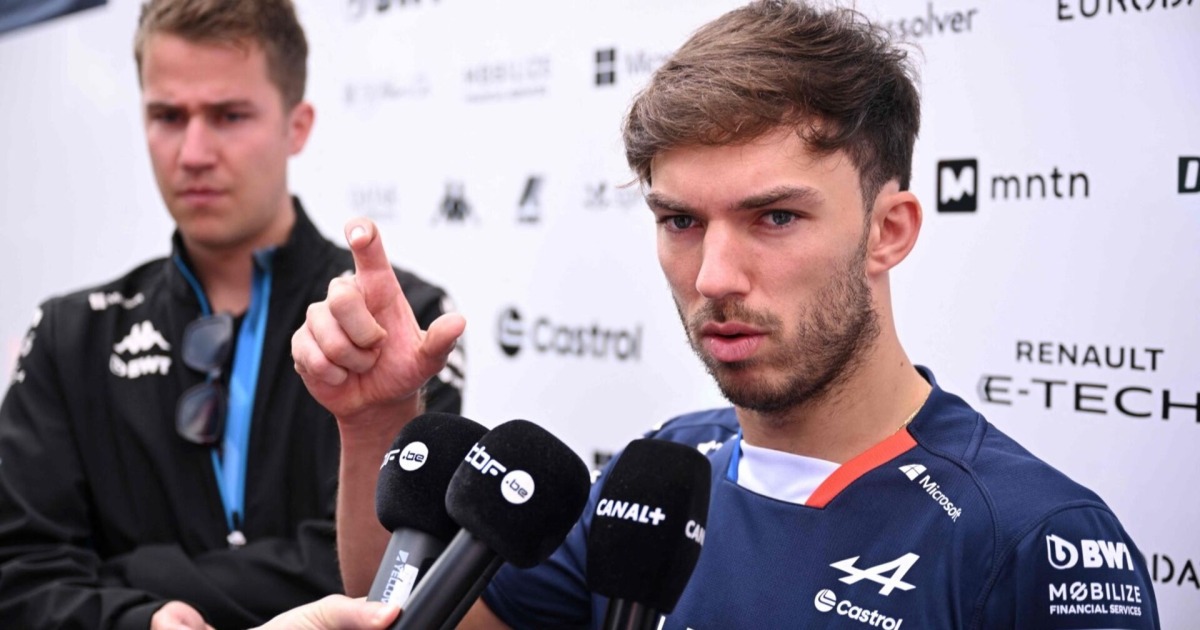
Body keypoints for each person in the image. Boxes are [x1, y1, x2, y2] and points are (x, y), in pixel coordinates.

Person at [291, 1, 1159, 628]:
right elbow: (409, 619)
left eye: (774, 217)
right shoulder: (662, 472)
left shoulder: (1031, 541)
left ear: (888, 231)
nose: (713, 276)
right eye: (680, 221)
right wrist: (374, 422)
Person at [0, 0, 463, 628]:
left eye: (229, 115)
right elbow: (21, 576)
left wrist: (132, 578)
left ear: (297, 126)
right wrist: (143, 621)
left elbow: (386, 573)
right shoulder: (69, 335)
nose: (193, 152)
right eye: (168, 116)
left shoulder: (398, 322)